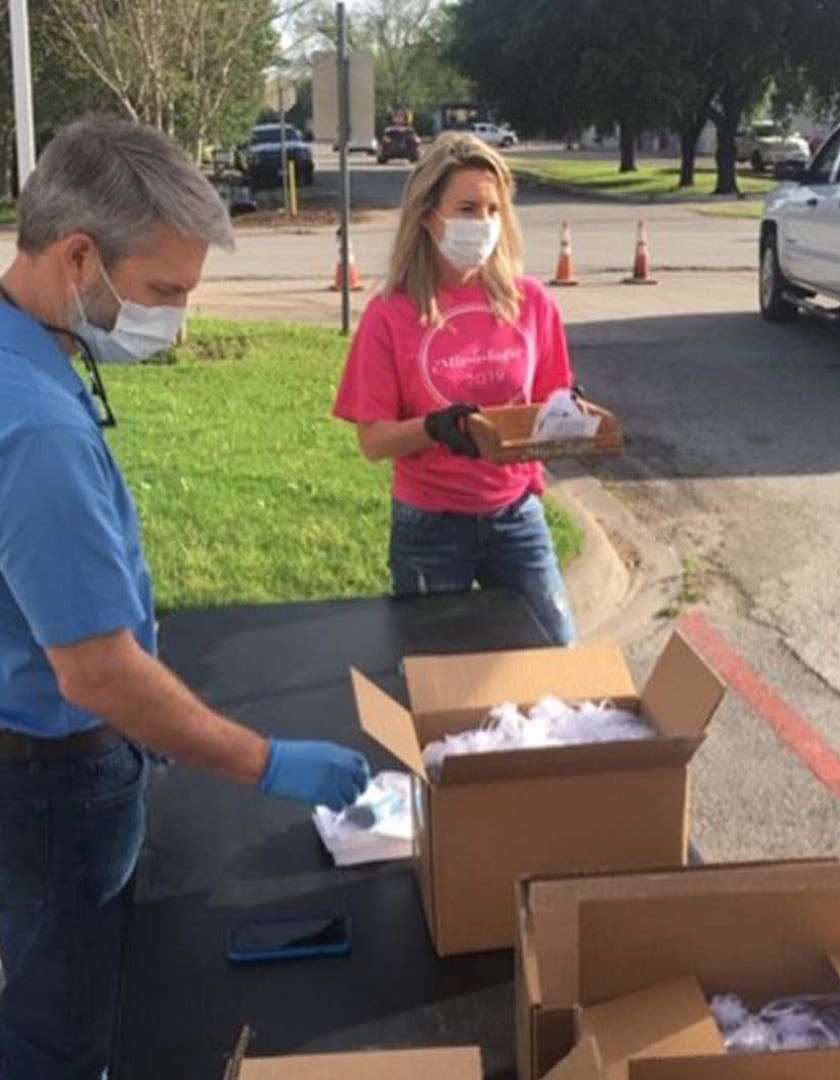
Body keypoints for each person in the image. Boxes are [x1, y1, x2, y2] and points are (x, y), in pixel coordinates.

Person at [0, 117, 371, 1080]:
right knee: (64, 1033)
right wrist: (265, 760)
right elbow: (99, 674)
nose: (178, 322)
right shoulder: (37, 429)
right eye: (165, 292)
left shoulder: (21, 353)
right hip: (55, 782)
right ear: (79, 258)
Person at [332, 134, 580, 645]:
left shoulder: (530, 303)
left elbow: (554, 406)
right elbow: (373, 441)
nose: (483, 223)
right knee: (435, 677)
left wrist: (574, 419)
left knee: (559, 655)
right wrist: (435, 429)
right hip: (430, 525)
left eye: (493, 208)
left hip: (515, 516)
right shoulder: (390, 314)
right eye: (467, 208)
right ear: (428, 216)